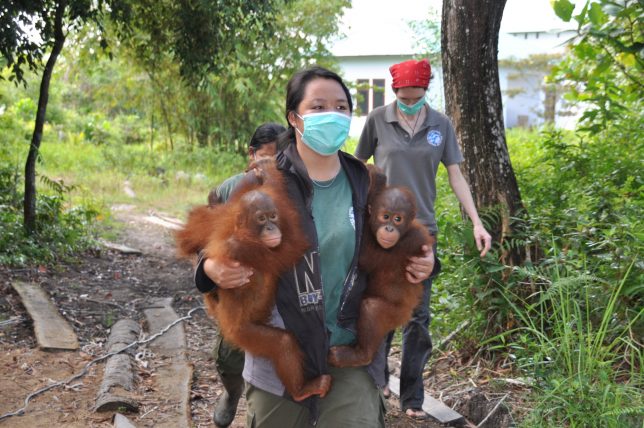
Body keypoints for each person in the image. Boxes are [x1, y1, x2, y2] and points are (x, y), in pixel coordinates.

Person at [194, 66, 435, 427]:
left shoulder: (365, 181)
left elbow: (404, 232)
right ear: (295, 117)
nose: (332, 116)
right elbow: (205, 242)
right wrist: (209, 269)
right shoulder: (258, 182)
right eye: (318, 107)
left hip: (347, 348)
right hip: (280, 353)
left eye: (341, 107)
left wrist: (427, 261)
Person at [354, 58, 492, 420]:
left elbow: (456, 176)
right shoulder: (377, 120)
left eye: (416, 96)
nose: (410, 101)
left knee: (418, 316)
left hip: (421, 232)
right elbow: (356, 167)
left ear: (426, 91)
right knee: (379, 304)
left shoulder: (440, 124)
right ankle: (378, 380)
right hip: (381, 228)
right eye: (404, 95)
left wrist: (477, 222)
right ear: (395, 91)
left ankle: (413, 396)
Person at [207, 122, 286, 428]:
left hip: (285, 288)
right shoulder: (230, 189)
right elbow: (206, 241)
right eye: (266, 160)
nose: (271, 168)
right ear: (252, 155)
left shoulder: (297, 187)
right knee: (229, 358)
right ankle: (232, 392)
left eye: (281, 161)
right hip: (242, 291)